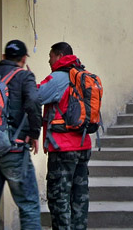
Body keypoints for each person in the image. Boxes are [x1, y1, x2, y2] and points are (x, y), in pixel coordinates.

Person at [0, 39, 42, 230]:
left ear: (3, 57)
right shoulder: (24, 76)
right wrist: (34, 133)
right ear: (23, 58)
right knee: (28, 205)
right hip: (14, 150)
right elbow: (33, 102)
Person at [38, 41, 92, 230]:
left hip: (63, 148)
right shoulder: (82, 76)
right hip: (83, 145)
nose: (49, 60)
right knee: (79, 198)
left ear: (59, 56)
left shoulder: (58, 78)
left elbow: (36, 96)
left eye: (51, 56)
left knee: (58, 199)